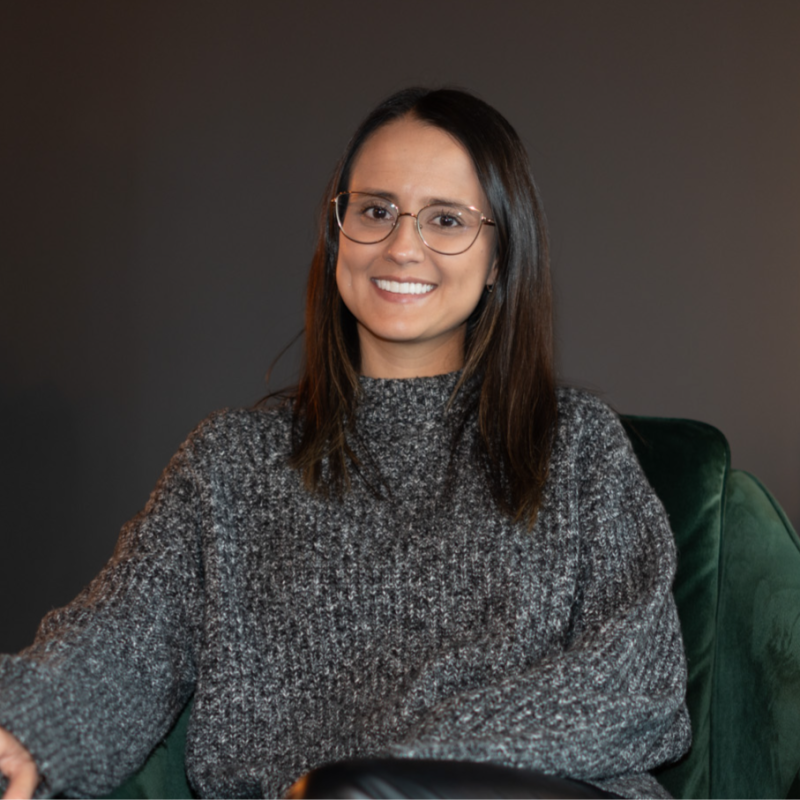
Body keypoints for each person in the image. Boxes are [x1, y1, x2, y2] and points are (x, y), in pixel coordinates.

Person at [0, 88, 691, 800]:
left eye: (446, 220)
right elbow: (123, 644)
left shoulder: (575, 445)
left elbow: (638, 679)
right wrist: (28, 727)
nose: (401, 245)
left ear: (497, 261)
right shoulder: (231, 462)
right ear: (337, 236)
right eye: (375, 210)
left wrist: (386, 774)